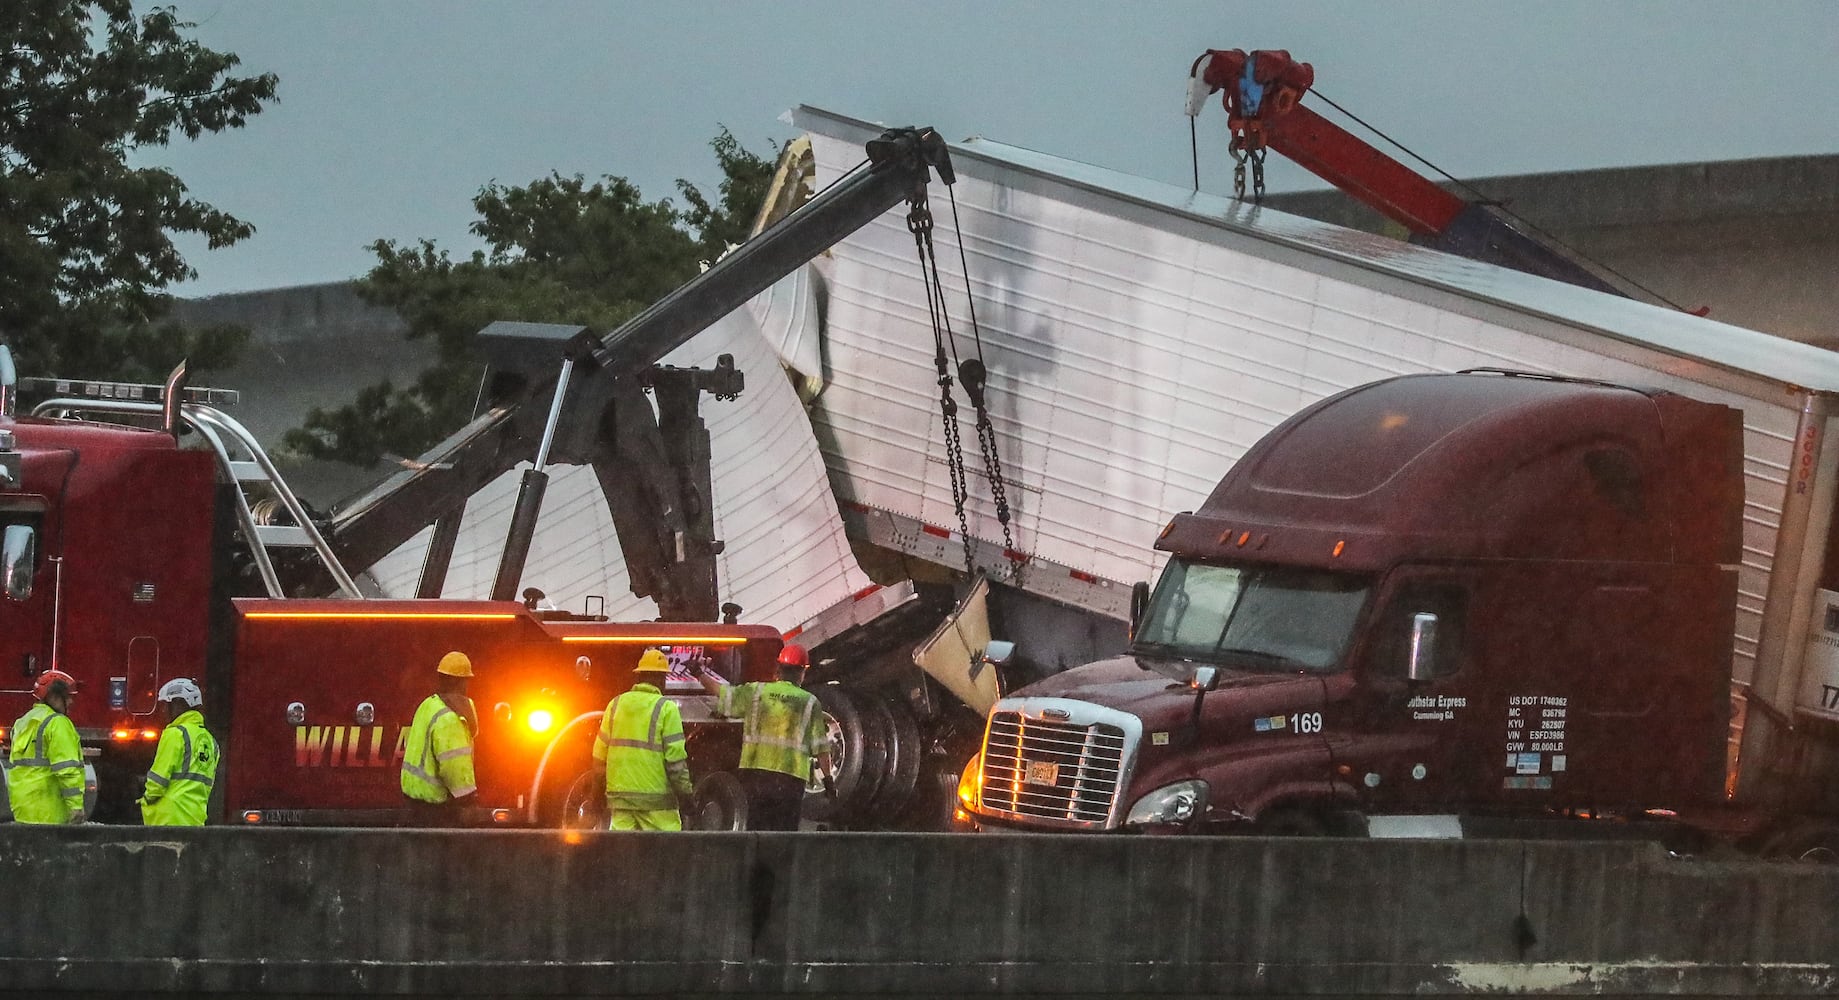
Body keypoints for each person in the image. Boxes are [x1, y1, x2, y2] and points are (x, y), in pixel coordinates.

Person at [696, 643, 833, 831]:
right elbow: (821, 749)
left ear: (778, 669)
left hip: (755, 776)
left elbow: (723, 694)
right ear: (802, 672)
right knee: (783, 835)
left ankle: (755, 860)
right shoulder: (809, 703)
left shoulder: (756, 692)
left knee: (755, 831)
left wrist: (699, 674)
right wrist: (828, 781)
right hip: (789, 781)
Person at [592, 647, 694, 831]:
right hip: (656, 804)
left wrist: (595, 795)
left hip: (621, 800)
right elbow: (676, 763)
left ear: (639, 677)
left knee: (622, 853)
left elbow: (599, 756)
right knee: (665, 852)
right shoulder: (666, 708)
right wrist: (686, 795)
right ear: (660, 679)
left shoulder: (615, 704)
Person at [400, 651, 478, 826]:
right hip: (435, 809)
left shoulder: (428, 705)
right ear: (462, 682)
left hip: (414, 802)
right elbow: (453, 765)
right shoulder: (449, 718)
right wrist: (467, 800)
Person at [7, 669, 86, 825]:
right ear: (54, 697)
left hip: (24, 807)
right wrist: (76, 806)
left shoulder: (23, 722)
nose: (71, 702)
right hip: (49, 808)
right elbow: (66, 770)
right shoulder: (57, 723)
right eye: (67, 697)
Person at [138, 677, 218, 826]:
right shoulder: (211, 741)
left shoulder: (175, 734)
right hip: (195, 819)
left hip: (168, 818)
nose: (164, 711)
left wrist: (147, 799)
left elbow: (158, 780)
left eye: (166, 705)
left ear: (178, 704)